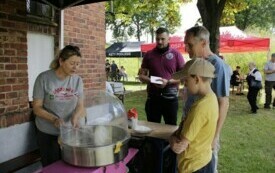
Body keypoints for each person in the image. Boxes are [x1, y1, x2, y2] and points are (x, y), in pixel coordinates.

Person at [179, 26, 230, 172]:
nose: (186, 48)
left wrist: (215, 136)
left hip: (205, 134)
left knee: (204, 165)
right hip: (192, 127)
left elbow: (223, 103)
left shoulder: (217, 65)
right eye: (185, 44)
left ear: (203, 43)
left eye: (190, 44)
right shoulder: (194, 64)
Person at [32, 45, 85, 167]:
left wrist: (75, 117)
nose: (75, 67)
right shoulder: (44, 78)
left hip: (70, 132)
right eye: (72, 63)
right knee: (52, 167)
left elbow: (80, 105)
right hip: (48, 132)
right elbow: (37, 108)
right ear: (61, 61)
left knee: (71, 166)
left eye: (78, 64)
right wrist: (54, 119)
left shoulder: (77, 80)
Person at [170, 58, 218, 173]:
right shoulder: (212, 98)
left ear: (196, 79)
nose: (184, 85)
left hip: (194, 166)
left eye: (186, 81)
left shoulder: (200, 107)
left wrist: (171, 140)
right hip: (204, 160)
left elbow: (180, 145)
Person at [138, 27, 185, 125]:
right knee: (152, 128)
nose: (159, 41)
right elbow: (141, 76)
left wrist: (168, 82)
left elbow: (183, 76)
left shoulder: (176, 54)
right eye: (157, 39)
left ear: (169, 39)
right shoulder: (149, 55)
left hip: (171, 98)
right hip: (153, 98)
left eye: (162, 39)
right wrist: (153, 81)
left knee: (170, 128)